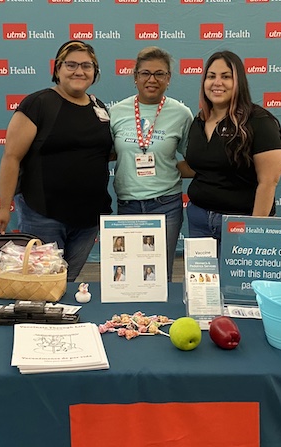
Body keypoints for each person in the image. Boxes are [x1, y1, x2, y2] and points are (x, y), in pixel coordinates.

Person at [0, 40, 111, 282]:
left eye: (86, 65)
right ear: (57, 69)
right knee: (41, 286)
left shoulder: (99, 107)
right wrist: (3, 208)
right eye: (70, 64)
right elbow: (11, 157)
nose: (79, 71)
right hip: (43, 215)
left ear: (95, 72)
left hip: (88, 219)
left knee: (66, 283)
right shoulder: (38, 104)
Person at [184, 50, 281, 244]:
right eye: (211, 76)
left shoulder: (258, 121)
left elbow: (268, 182)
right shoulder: (199, 120)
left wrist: (255, 231)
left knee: (237, 275)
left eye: (226, 77)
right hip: (198, 220)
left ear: (239, 81)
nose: (217, 82)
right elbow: (199, 166)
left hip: (239, 223)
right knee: (201, 276)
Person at [111, 46, 193, 280]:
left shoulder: (182, 114)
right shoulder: (116, 112)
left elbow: (193, 159)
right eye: (145, 73)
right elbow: (107, 153)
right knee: (127, 275)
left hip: (165, 204)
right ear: (135, 77)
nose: (152, 79)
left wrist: (170, 169)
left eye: (160, 74)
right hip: (128, 205)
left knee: (158, 276)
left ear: (168, 79)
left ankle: (159, 318)